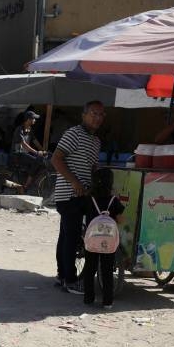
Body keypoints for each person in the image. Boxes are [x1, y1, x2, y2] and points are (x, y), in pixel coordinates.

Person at [51, 100, 106, 294]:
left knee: (66, 236)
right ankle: (70, 280)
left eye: (101, 115)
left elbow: (91, 168)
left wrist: (92, 182)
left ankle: (61, 275)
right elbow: (56, 159)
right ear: (84, 115)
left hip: (83, 194)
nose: (97, 117)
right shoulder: (74, 134)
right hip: (68, 194)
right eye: (93, 113)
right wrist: (75, 182)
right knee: (72, 237)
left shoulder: (95, 141)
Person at [80, 167, 125, 309]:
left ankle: (88, 298)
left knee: (90, 267)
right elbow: (121, 219)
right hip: (108, 242)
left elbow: (83, 214)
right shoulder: (114, 200)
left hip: (92, 240)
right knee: (107, 270)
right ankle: (107, 302)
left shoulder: (89, 198)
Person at [11, 110, 46, 192]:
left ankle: (27, 181)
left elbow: (35, 141)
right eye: (34, 119)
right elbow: (23, 144)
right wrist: (37, 152)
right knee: (36, 161)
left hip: (23, 154)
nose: (35, 120)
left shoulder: (29, 129)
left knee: (38, 161)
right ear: (28, 119)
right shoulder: (19, 129)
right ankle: (25, 186)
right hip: (17, 154)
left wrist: (43, 150)